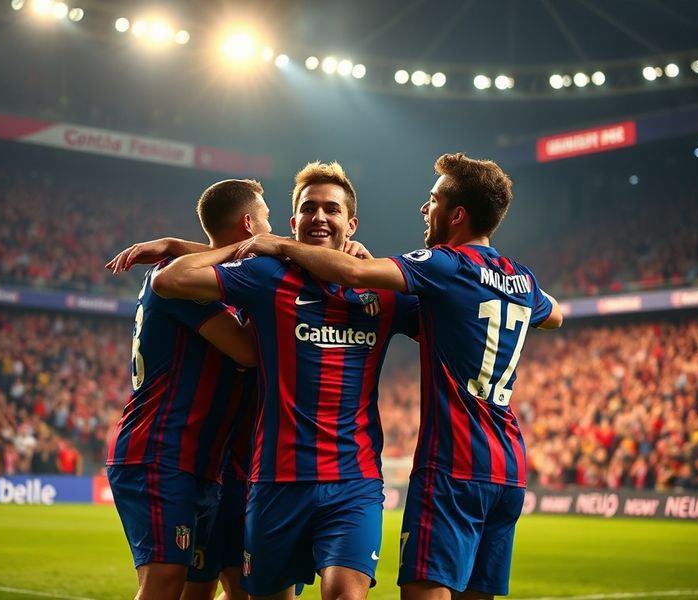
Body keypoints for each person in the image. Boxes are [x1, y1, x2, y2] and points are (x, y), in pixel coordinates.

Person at [234, 153, 564, 600]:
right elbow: (556, 315)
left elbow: (352, 272)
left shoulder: (445, 264)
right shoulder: (521, 277)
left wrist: (281, 245)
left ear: (457, 214)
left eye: (432, 201)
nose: (424, 210)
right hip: (508, 467)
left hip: (453, 465)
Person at [152, 161, 420, 600]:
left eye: (331, 210)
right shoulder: (266, 275)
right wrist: (265, 247)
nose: (319, 217)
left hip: (354, 480)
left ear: (350, 223)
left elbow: (453, 313)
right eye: (308, 208)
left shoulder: (384, 291)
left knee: (344, 595)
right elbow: (170, 281)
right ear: (293, 222)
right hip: (276, 481)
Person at [104, 179, 269, 600]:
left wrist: (177, 242)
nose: (273, 230)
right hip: (161, 451)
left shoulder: (203, 278)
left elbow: (233, 262)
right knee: (164, 584)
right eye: (267, 220)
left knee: (199, 587)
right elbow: (248, 352)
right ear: (249, 224)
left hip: (201, 462)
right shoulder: (178, 280)